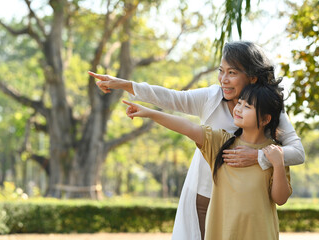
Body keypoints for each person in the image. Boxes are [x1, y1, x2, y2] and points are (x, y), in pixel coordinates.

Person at [89, 41, 305, 240]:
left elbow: (297, 152)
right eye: (221, 71)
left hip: (245, 201)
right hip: (204, 195)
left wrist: (258, 156)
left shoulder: (267, 110)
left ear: (252, 77)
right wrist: (127, 85)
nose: (223, 79)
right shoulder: (212, 99)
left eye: (232, 72)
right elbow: (174, 100)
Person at [122, 81, 292, 240]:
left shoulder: (274, 152)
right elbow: (188, 127)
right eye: (239, 103)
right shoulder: (221, 142)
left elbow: (280, 199)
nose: (239, 109)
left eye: (247, 106)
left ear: (265, 119)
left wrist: (277, 163)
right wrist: (150, 113)